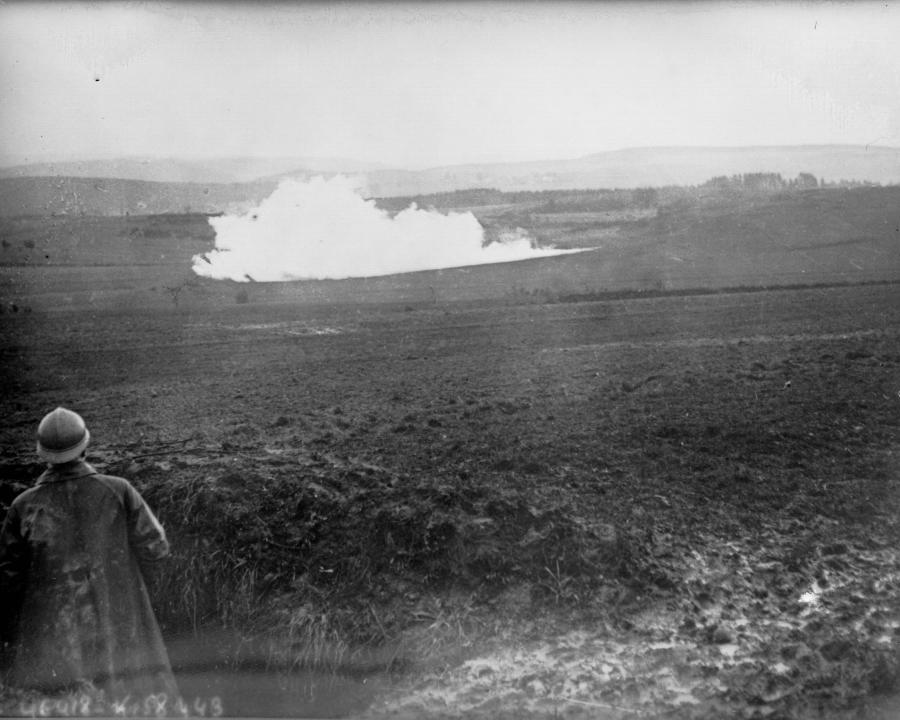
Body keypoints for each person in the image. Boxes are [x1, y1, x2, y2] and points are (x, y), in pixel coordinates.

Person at [0, 407, 179, 709]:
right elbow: (156, 550)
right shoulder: (119, 491)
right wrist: (137, 596)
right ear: (85, 446)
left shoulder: (23, 506)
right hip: (122, 632)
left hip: (53, 644)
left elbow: (7, 579)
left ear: (43, 455)